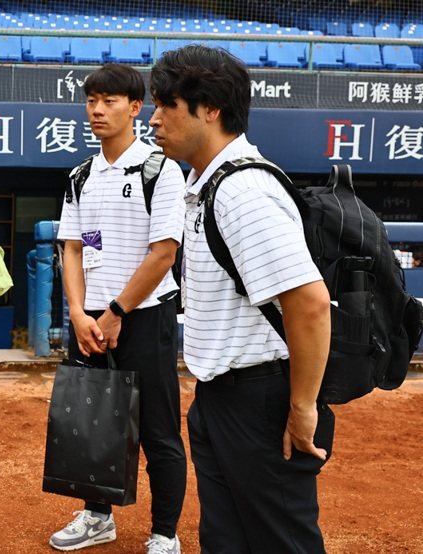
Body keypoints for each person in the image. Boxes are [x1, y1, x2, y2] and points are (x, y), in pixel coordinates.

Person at [149, 45, 334, 552]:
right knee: (226, 540)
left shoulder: (243, 190)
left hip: (263, 403)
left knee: (280, 542)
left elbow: (310, 303)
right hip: (222, 397)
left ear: (209, 109)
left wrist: (302, 406)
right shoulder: (207, 185)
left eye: (167, 105)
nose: (155, 118)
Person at [50, 63, 187, 554]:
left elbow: (163, 252)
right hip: (90, 323)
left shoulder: (161, 170)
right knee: (91, 425)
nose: (97, 110)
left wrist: (114, 313)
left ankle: (164, 534)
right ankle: (96, 517)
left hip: (143, 320)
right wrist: (79, 313)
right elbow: (72, 247)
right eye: (91, 100)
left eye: (109, 101)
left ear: (135, 107)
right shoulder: (81, 175)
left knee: (158, 433)